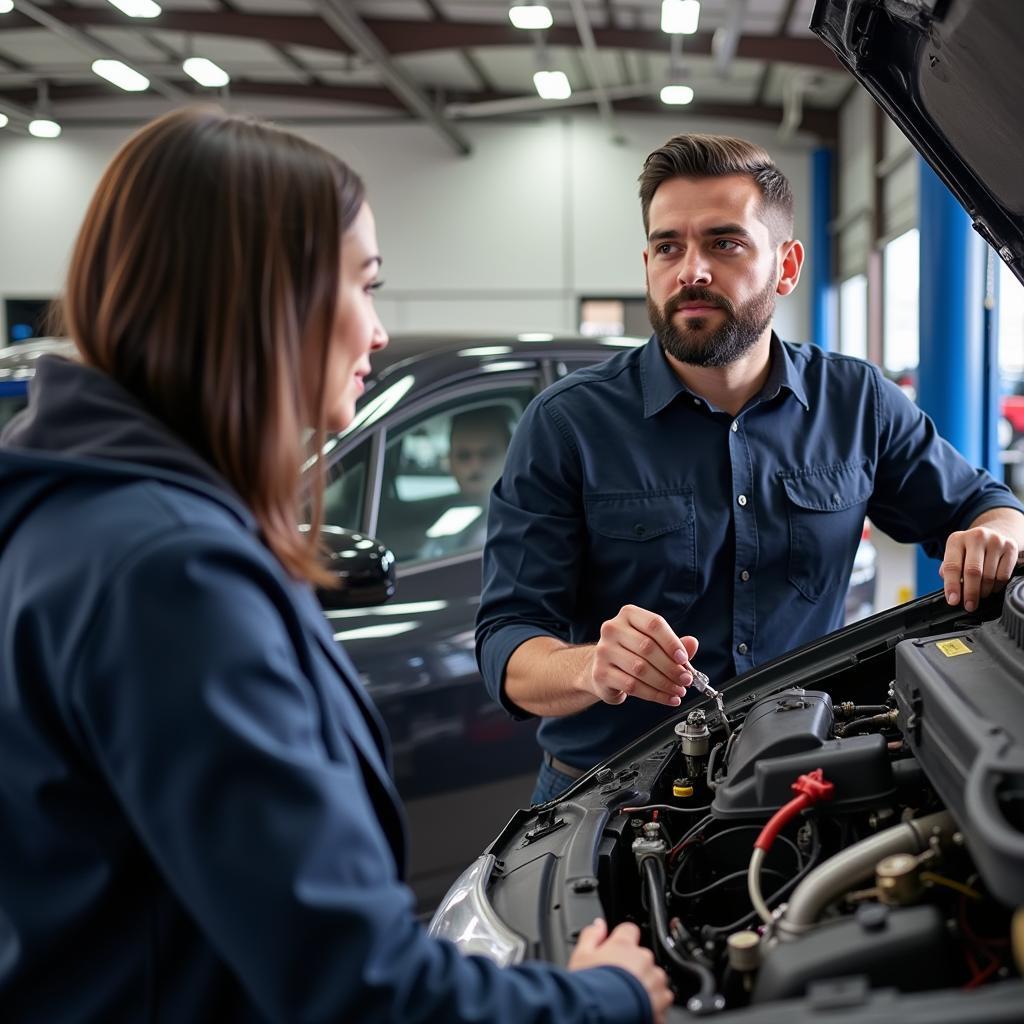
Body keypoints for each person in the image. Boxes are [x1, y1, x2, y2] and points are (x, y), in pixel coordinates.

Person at [0, 108, 671, 1024]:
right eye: (364, 284)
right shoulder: (165, 574)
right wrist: (605, 999)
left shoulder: (82, 518)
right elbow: (358, 987)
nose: (380, 331)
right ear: (260, 295)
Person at [476, 133, 1024, 806]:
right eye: (668, 246)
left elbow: (985, 505)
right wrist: (592, 666)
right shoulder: (566, 426)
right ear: (647, 261)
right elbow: (507, 644)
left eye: (724, 243)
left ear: (786, 266)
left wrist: (997, 532)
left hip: (802, 774)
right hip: (608, 795)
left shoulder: (856, 404)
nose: (691, 271)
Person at [420, 406, 512, 558]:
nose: (475, 466)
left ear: (509, 455)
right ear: (450, 461)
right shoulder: (449, 517)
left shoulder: (522, 519)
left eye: (487, 454)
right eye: (464, 456)